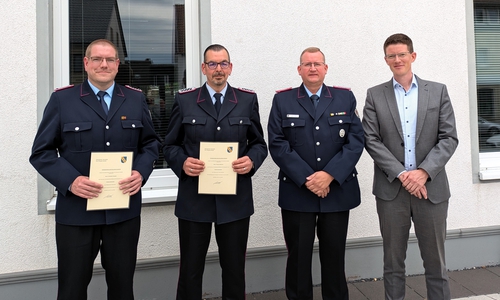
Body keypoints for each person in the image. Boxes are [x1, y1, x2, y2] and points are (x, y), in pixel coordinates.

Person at [30, 39, 160, 300]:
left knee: (122, 287)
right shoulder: (62, 100)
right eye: (98, 59)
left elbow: (150, 144)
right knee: (72, 289)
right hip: (77, 214)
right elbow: (41, 152)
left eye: (110, 59)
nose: (104, 64)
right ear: (86, 63)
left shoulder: (134, 99)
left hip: (122, 213)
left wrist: (140, 173)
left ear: (117, 64)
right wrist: (71, 180)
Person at [162, 44, 267, 300]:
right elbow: (169, 145)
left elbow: (259, 144)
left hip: (235, 201)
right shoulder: (185, 100)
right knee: (190, 270)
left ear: (230, 67)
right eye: (212, 64)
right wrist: (183, 163)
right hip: (194, 200)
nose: (218, 70)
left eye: (223, 64)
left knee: (234, 270)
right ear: (203, 68)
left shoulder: (246, 100)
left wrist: (251, 161)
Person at [362, 33, 459, 300]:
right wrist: (404, 175)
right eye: (391, 56)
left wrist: (424, 172)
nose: (397, 60)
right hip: (392, 191)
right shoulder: (374, 95)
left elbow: (449, 137)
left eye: (402, 54)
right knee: (393, 265)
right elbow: (371, 140)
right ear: (385, 60)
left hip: (432, 190)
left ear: (412, 56)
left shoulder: (437, 91)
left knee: (436, 263)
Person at [267, 47, 364, 300]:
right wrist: (310, 179)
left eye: (317, 64)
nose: (312, 68)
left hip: (336, 191)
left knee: (334, 258)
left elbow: (355, 141)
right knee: (298, 260)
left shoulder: (345, 98)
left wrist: (329, 175)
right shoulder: (282, 100)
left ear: (326, 68)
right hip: (298, 192)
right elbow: (277, 144)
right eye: (307, 64)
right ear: (299, 69)